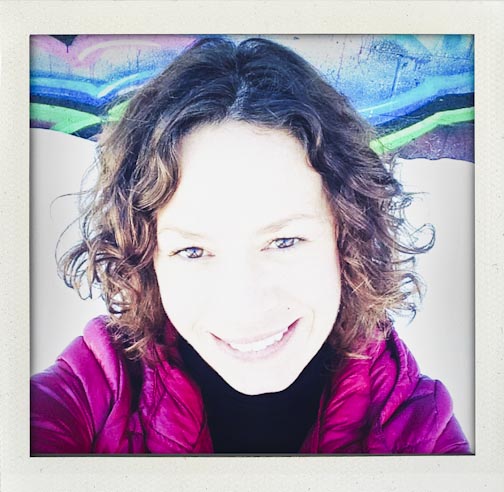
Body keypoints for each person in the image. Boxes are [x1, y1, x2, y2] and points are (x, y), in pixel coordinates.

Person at [30, 37, 470, 454]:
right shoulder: (93, 392)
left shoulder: (414, 425)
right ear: (147, 258)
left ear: (346, 237)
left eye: (284, 241)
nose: (245, 306)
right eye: (193, 251)